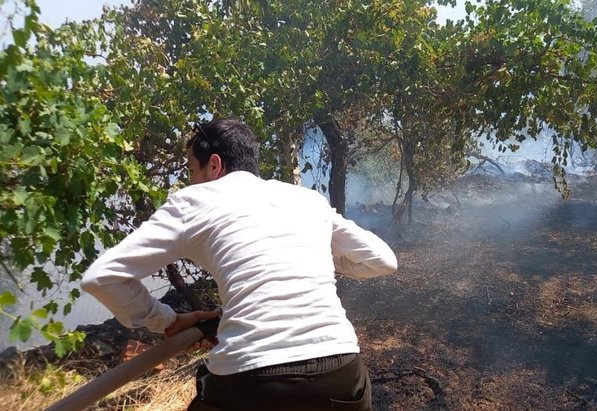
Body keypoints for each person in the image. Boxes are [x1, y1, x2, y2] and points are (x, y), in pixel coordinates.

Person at [81, 118, 398, 411]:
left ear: (214, 165)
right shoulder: (306, 199)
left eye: (191, 171)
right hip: (341, 372)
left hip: (252, 380)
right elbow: (382, 260)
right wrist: (308, 258)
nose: (190, 181)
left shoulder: (194, 200)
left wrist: (164, 320)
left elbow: (104, 277)